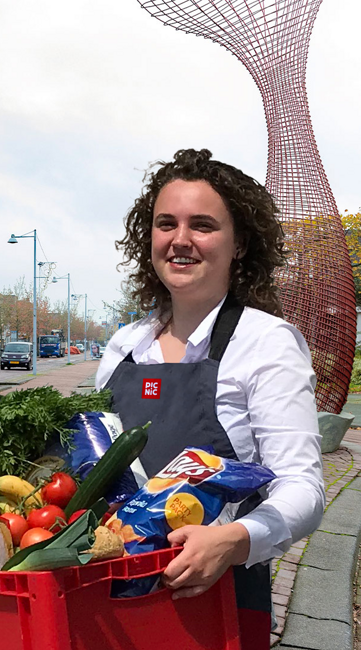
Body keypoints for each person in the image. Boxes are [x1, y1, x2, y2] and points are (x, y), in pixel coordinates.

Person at [95, 149, 323, 649]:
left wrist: (235, 541)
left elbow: (304, 489)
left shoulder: (267, 342)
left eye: (202, 225)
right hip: (108, 601)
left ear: (239, 244)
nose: (180, 240)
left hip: (215, 601)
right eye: (165, 223)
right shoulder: (124, 345)